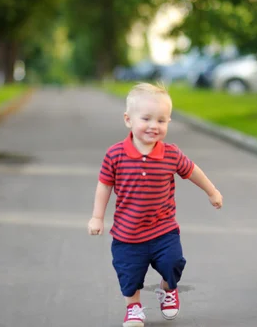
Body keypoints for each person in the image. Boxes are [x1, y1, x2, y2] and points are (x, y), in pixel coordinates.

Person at [88, 82, 223, 327]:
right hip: (127, 234)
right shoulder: (115, 154)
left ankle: (167, 288)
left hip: (163, 230)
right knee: (129, 273)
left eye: (161, 121)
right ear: (128, 120)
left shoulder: (171, 154)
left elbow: (193, 171)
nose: (154, 126)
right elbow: (104, 185)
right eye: (146, 119)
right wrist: (97, 217)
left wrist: (212, 192)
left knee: (173, 263)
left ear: (168, 122)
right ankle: (133, 307)